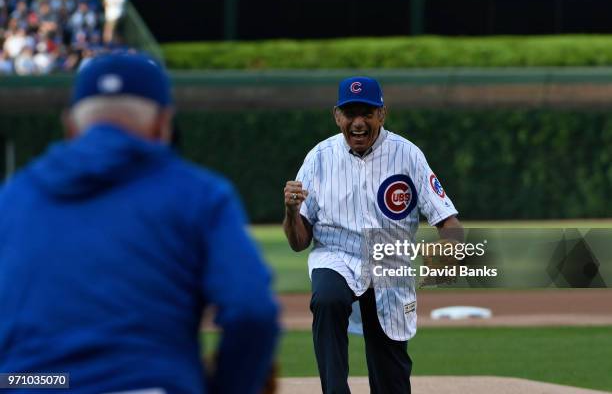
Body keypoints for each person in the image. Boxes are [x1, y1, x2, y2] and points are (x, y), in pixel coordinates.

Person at [0, 52, 279, 394]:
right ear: (163, 123)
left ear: (70, 126)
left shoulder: (13, 198)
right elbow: (252, 310)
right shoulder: (199, 195)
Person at [283, 76, 463, 393]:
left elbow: (449, 223)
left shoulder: (407, 155)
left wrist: (447, 255)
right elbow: (300, 242)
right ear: (336, 116)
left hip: (389, 264)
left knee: (391, 379)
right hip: (336, 257)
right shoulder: (319, 158)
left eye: (367, 112)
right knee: (328, 299)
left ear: (382, 114)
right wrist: (291, 211)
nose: (358, 122)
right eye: (350, 113)